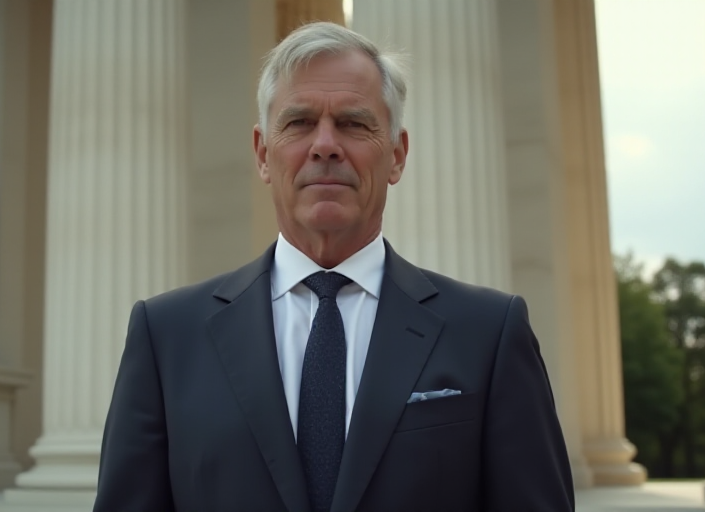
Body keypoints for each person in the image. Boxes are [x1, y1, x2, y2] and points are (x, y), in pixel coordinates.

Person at [94, 22, 574, 512]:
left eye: (353, 123)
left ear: (397, 155)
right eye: (299, 123)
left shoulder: (489, 333)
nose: (325, 145)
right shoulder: (168, 335)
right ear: (263, 154)